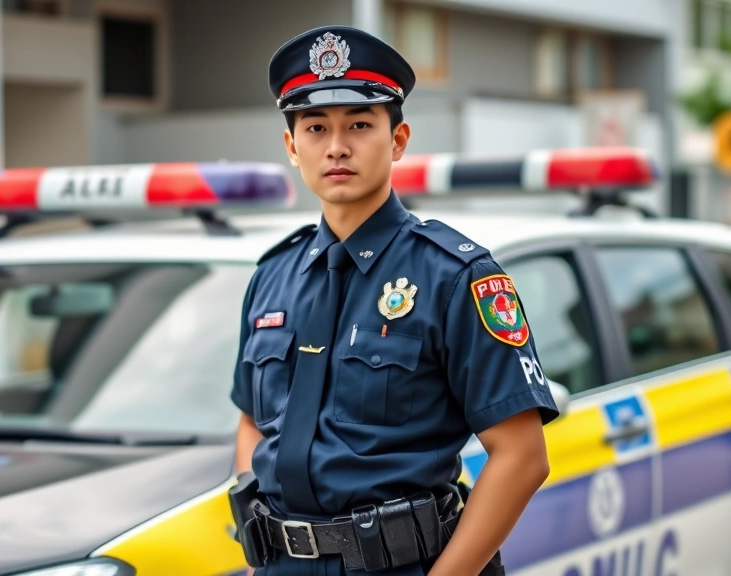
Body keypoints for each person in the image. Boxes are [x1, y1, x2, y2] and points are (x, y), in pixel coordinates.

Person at [229, 25, 559, 576]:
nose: (336, 146)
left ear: (398, 139)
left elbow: (522, 457)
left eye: (360, 124)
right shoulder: (272, 275)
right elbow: (250, 421)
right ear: (292, 146)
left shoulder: (457, 276)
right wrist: (256, 530)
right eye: (315, 128)